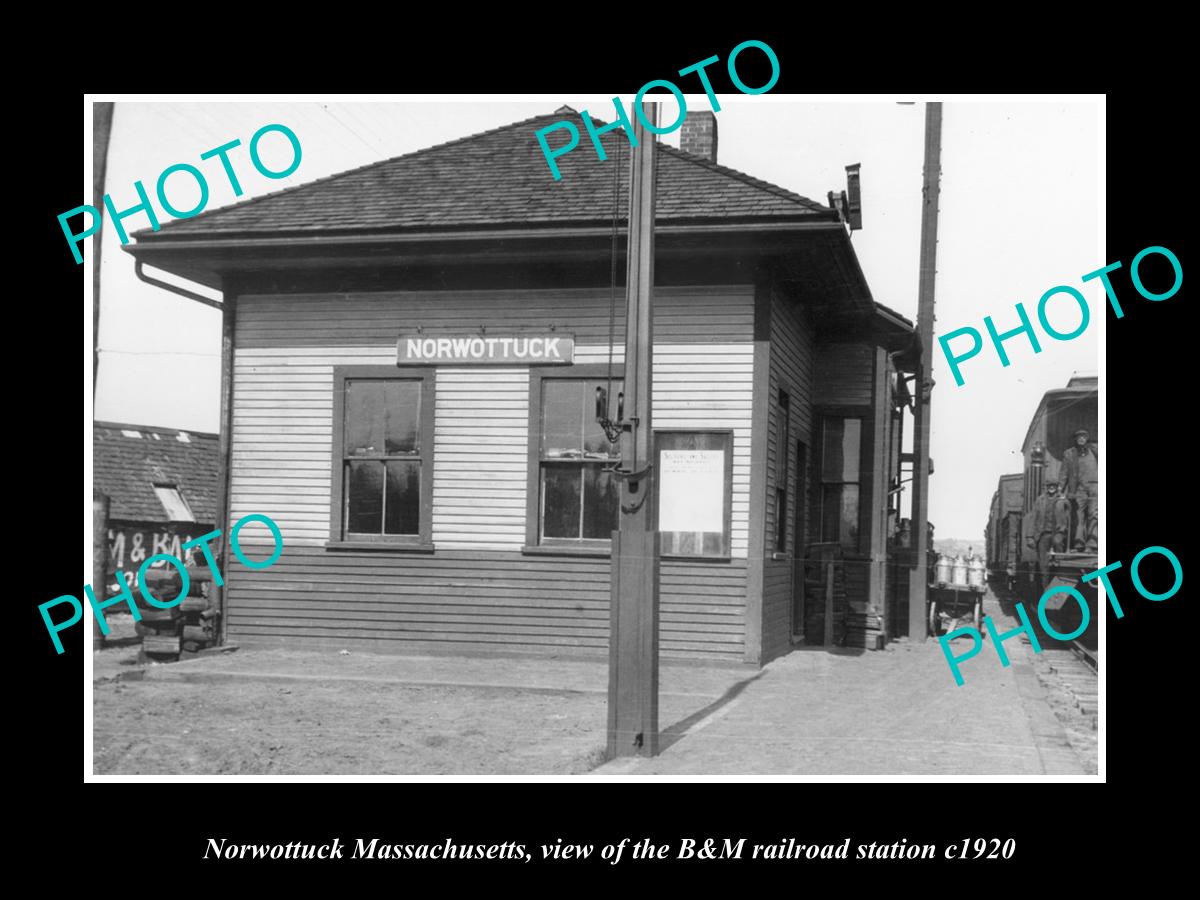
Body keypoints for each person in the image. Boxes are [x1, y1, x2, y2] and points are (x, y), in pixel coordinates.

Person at [1059, 428, 1098, 552]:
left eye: (1084, 437)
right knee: (1078, 516)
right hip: (1078, 489)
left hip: (1094, 488)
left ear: (1087, 438)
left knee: (1094, 514)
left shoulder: (1096, 451)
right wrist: (1060, 489)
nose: (1081, 439)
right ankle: (1079, 543)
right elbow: (1064, 473)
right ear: (1075, 439)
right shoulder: (1069, 454)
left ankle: (1092, 543)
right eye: (1079, 437)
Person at [1026, 482, 1068, 590]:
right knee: (1043, 565)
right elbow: (1033, 517)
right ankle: (1045, 589)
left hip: (1057, 533)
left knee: (1059, 558)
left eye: (1054, 485)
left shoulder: (1062, 499)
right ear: (1046, 487)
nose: (1051, 488)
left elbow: (1069, 510)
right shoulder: (1040, 500)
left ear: (1057, 487)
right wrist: (1029, 536)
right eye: (1049, 486)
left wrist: (1065, 501)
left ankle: (1059, 584)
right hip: (1043, 534)